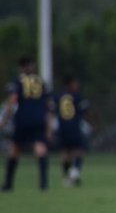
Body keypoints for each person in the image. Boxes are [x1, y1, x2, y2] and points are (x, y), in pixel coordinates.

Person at [2, 56, 52, 192]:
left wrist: (5, 119)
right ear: (32, 66)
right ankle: (44, 184)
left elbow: (12, 101)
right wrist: (49, 127)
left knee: (14, 150)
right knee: (40, 149)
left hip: (22, 119)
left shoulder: (17, 81)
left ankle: (8, 184)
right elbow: (49, 106)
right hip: (38, 119)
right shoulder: (41, 82)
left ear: (20, 68)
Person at [54, 74, 90, 187]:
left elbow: (51, 110)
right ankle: (73, 174)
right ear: (70, 84)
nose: (77, 85)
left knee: (65, 153)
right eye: (75, 83)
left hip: (62, 128)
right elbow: (86, 111)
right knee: (79, 152)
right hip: (74, 127)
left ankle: (68, 176)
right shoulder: (77, 96)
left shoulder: (58, 96)